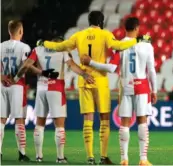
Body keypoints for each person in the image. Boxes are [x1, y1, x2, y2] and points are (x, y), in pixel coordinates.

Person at [36, 11, 151, 165]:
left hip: (84, 81)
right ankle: (103, 157)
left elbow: (60, 46)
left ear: (89, 21)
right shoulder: (105, 34)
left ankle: (90, 157)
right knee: (104, 119)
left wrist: (44, 43)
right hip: (100, 80)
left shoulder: (79, 35)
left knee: (88, 120)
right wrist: (137, 39)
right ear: (101, 21)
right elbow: (119, 45)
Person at [81, 17, 157, 166]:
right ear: (137, 28)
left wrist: (91, 62)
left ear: (124, 29)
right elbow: (151, 71)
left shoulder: (119, 45)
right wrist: (154, 90)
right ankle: (143, 159)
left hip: (126, 86)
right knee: (142, 122)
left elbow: (111, 68)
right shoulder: (147, 46)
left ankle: (124, 159)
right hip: (142, 86)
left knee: (124, 123)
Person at [13, 37, 93, 163]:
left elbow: (26, 65)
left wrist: (17, 77)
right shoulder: (61, 50)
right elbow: (71, 65)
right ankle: (60, 157)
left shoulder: (38, 49)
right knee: (59, 125)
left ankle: (39, 156)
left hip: (41, 88)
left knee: (39, 123)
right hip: (56, 88)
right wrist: (84, 74)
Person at [0, 20, 50, 162]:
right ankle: (21, 153)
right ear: (20, 31)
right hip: (17, 85)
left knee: (1, 120)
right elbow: (26, 66)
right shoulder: (24, 47)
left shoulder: (0, 46)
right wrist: (41, 72)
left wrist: (2, 77)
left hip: (2, 85)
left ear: (9, 31)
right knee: (19, 120)